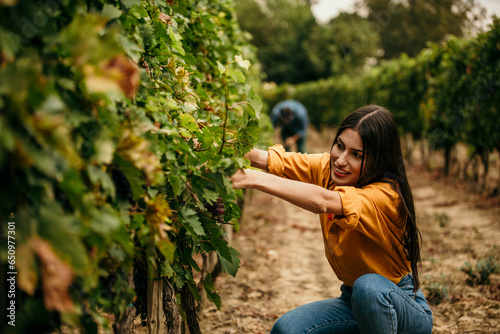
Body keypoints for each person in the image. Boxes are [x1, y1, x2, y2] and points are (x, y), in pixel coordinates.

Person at [230, 105, 433, 333]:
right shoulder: (330, 168)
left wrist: (251, 178)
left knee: (369, 287)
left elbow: (325, 201)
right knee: (287, 329)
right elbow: (267, 159)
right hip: (353, 302)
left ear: (379, 160)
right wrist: (221, 151)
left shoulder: (387, 195)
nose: (340, 160)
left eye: (357, 155)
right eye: (340, 146)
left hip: (398, 304)